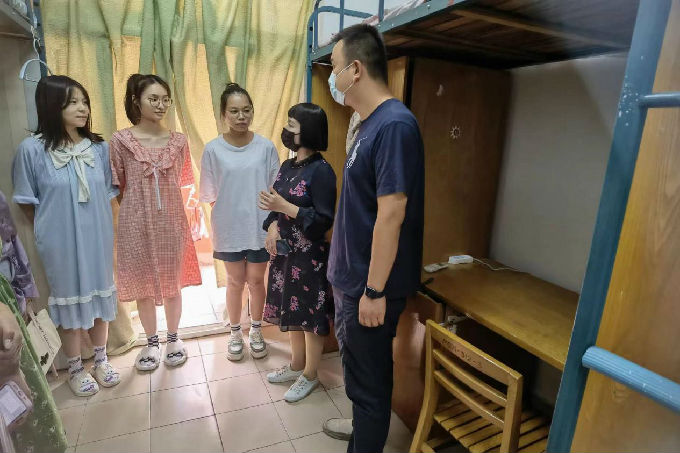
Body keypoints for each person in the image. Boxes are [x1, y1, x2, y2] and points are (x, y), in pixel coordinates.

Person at [325, 24, 425, 453]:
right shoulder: (367, 123)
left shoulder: (395, 125)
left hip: (368, 288)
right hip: (350, 280)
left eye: (335, 67)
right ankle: (362, 433)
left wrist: (373, 291)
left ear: (356, 69)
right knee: (359, 382)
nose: (332, 77)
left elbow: (392, 214)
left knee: (370, 392)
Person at [12, 75, 121, 397]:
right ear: (51, 105)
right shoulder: (31, 150)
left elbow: (108, 195)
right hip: (59, 242)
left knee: (100, 296)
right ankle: (74, 367)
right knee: (69, 301)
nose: (82, 108)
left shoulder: (99, 148)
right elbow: (27, 203)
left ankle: (101, 360)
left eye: (84, 102)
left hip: (97, 237)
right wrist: (51, 230)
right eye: (73, 102)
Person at [110, 74, 202, 371]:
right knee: (143, 286)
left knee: (173, 283)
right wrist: (136, 208)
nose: (161, 105)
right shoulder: (120, 141)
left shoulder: (178, 141)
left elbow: (182, 181)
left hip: (172, 221)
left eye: (165, 99)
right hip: (135, 222)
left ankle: (173, 338)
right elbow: (117, 184)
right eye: (153, 99)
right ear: (136, 101)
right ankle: (151, 342)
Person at [258, 103, 337, 402]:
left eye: (292, 125)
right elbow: (274, 205)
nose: (286, 130)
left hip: (310, 258)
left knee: (310, 316)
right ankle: (296, 366)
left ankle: (311, 374)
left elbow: (323, 221)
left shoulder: (322, 171)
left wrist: (285, 208)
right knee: (291, 309)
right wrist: (271, 227)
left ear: (309, 130)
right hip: (285, 255)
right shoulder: (287, 166)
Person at [199, 83, 280, 361]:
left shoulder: (265, 147)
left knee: (256, 281)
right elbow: (210, 194)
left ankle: (256, 330)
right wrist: (231, 213)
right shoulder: (213, 150)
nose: (241, 116)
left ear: (252, 111)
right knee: (235, 281)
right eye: (234, 111)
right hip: (229, 227)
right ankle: (235, 333)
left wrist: (272, 225)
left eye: (246, 110)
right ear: (224, 114)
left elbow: (275, 190)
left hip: (260, 226)